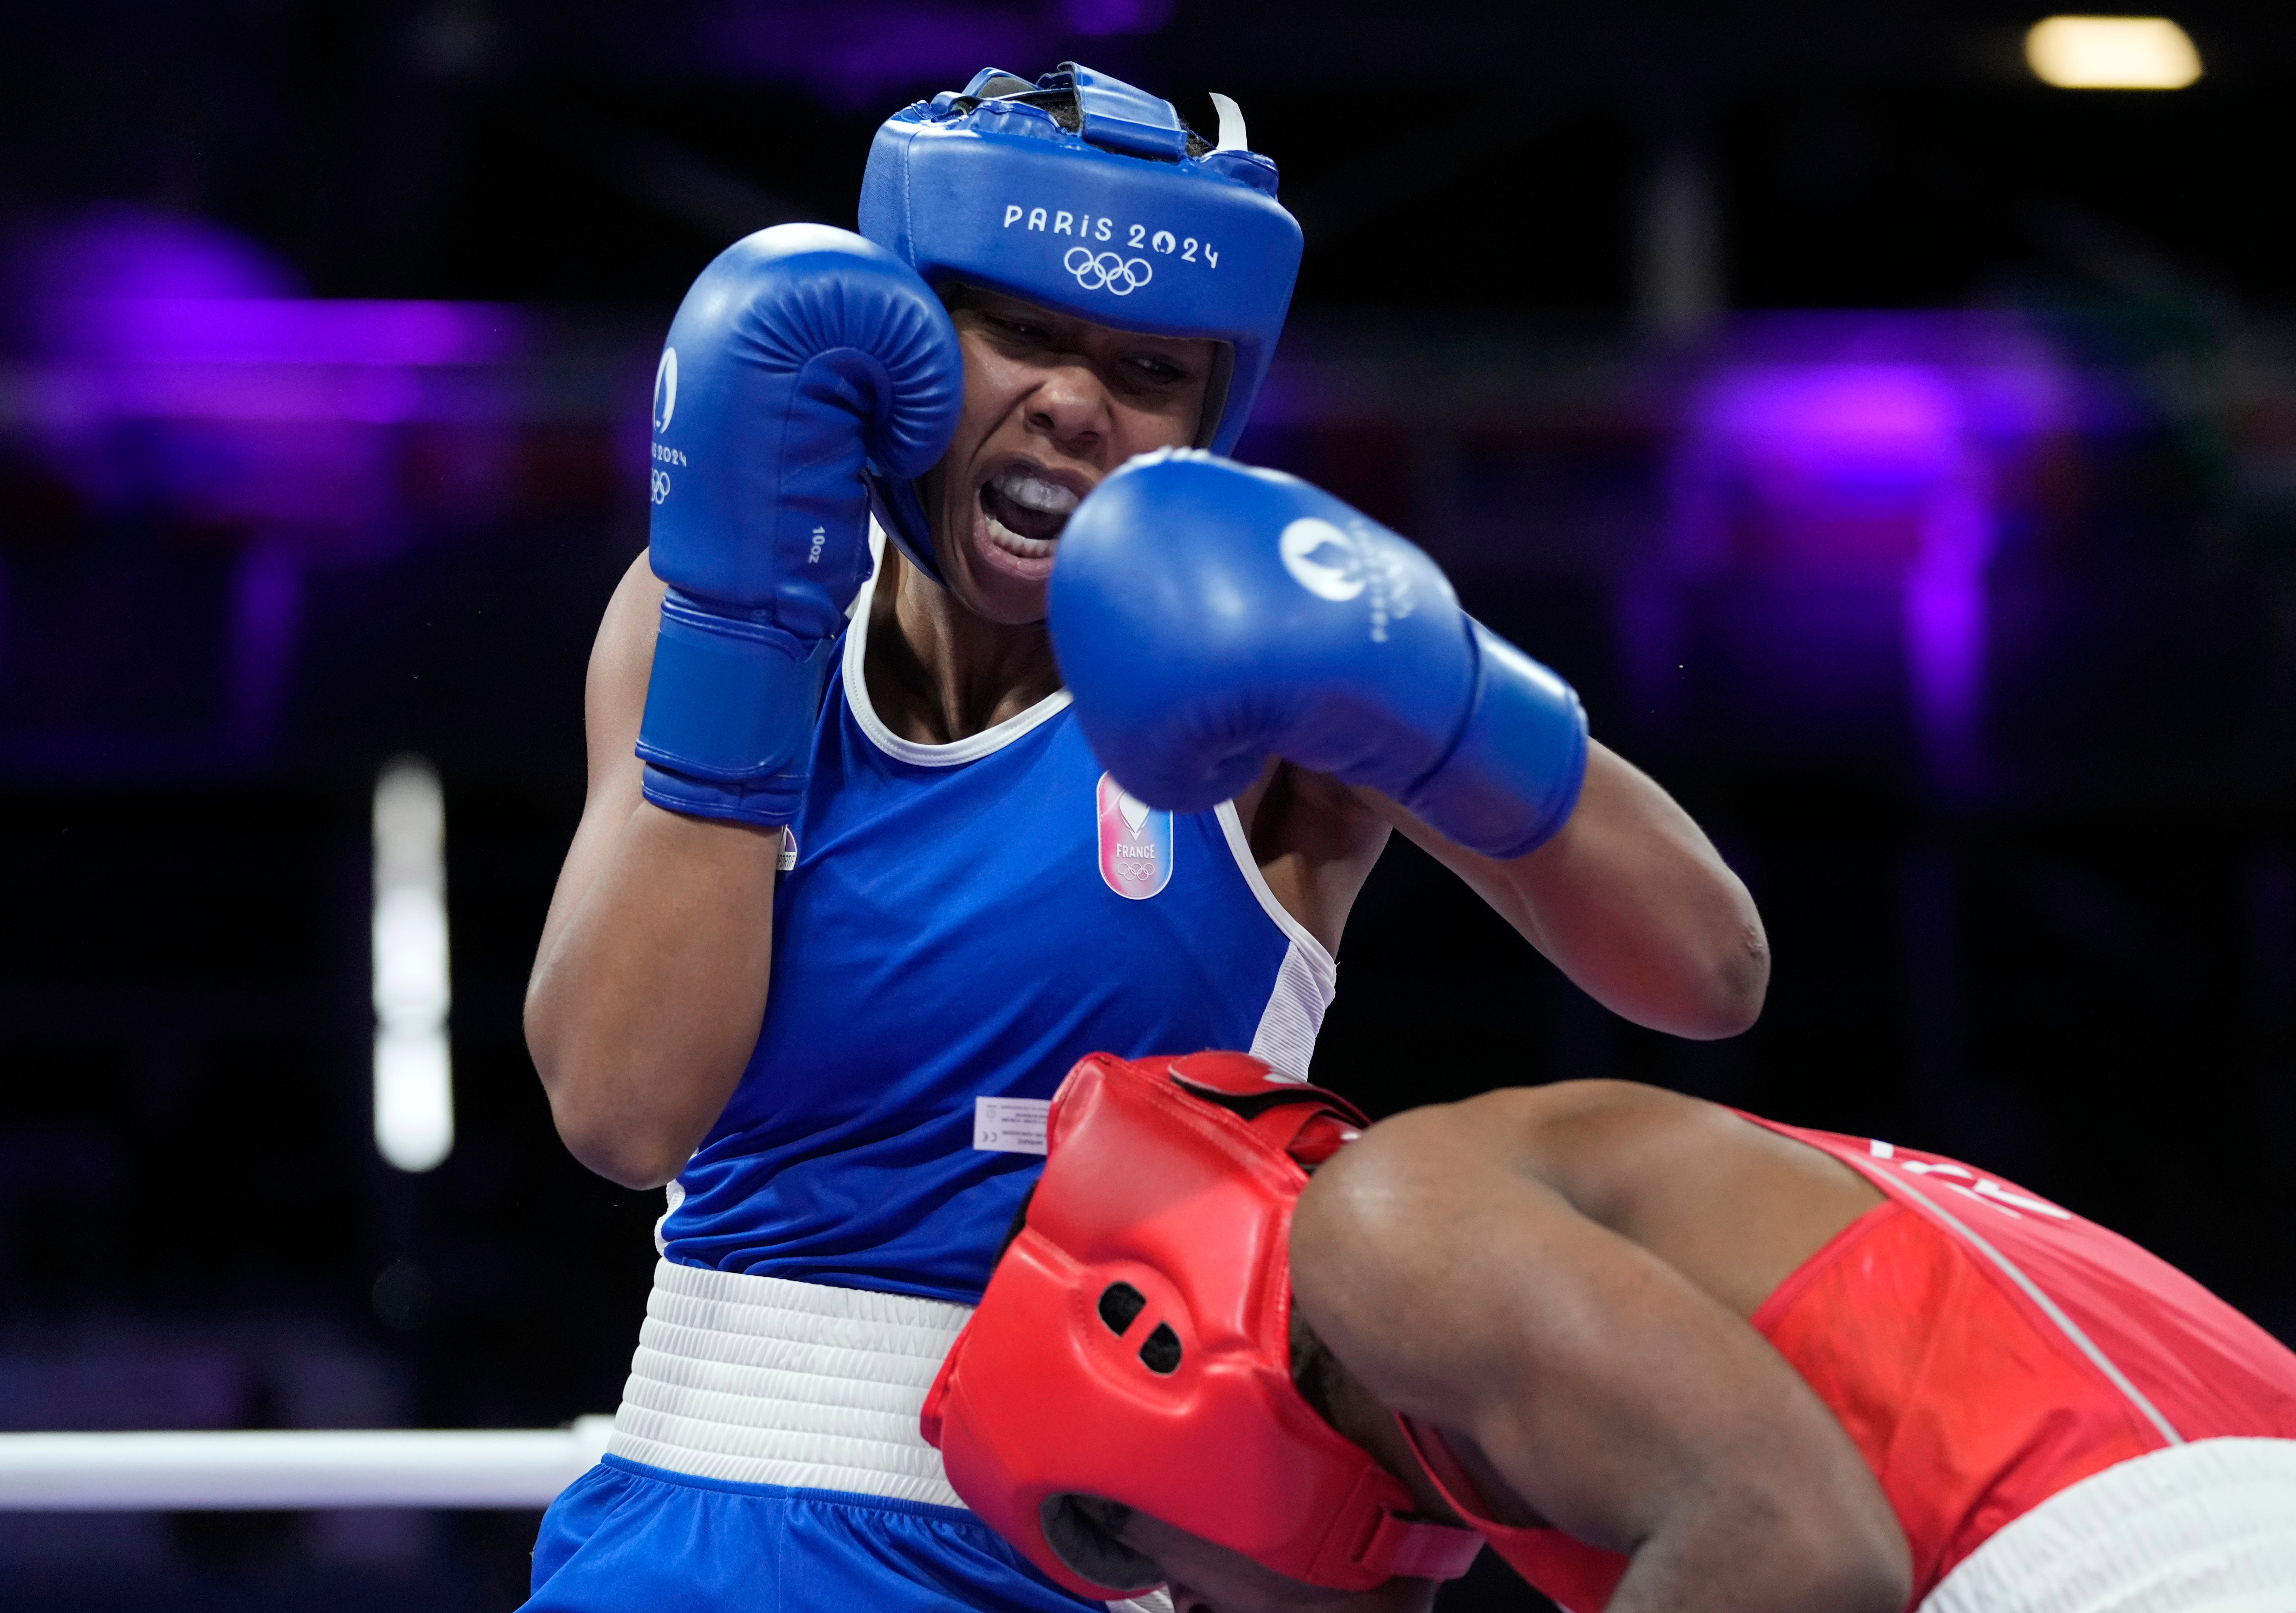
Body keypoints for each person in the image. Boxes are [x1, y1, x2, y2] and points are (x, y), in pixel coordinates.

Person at [520, 62, 1768, 1613]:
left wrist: (1440, 694)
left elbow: (1709, 972)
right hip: (692, 1532)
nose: (1071, 399)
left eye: (1146, 365)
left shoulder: (1269, 681)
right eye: (1021, 332)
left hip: (1106, 1557)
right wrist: (737, 631)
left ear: (1209, 411)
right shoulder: (718, 610)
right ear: (901, 331)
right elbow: (622, 1112)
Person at [925, 1050, 2296, 1613]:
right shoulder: (1574, 1333)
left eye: (1176, 1592)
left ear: (1168, 1374)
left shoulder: (1379, 1228)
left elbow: (1795, 1546)